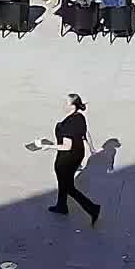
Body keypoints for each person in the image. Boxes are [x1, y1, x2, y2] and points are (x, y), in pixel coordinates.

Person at [45, 94, 101, 225]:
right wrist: (92, 149)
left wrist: (48, 146)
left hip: (66, 158)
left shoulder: (69, 123)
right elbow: (86, 133)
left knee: (67, 186)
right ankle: (61, 205)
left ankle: (92, 209)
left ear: (72, 106)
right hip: (77, 154)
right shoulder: (79, 116)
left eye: (66, 103)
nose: (63, 105)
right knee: (65, 181)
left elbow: (66, 146)